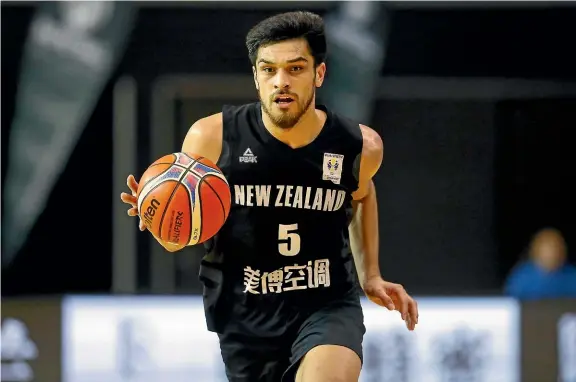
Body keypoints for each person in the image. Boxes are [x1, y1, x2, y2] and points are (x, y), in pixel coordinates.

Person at [121, 11, 418, 382]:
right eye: (268, 69)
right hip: (245, 315)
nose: (281, 82)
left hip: (326, 304)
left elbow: (362, 194)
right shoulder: (211, 138)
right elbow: (177, 239)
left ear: (319, 74)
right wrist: (160, 217)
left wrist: (370, 274)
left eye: (295, 69)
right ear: (256, 77)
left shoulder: (359, 145)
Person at [504, 227, 576, 300]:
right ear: (535, 251)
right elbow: (511, 303)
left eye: (555, 248)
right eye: (547, 250)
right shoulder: (521, 278)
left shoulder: (572, 276)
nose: (551, 254)